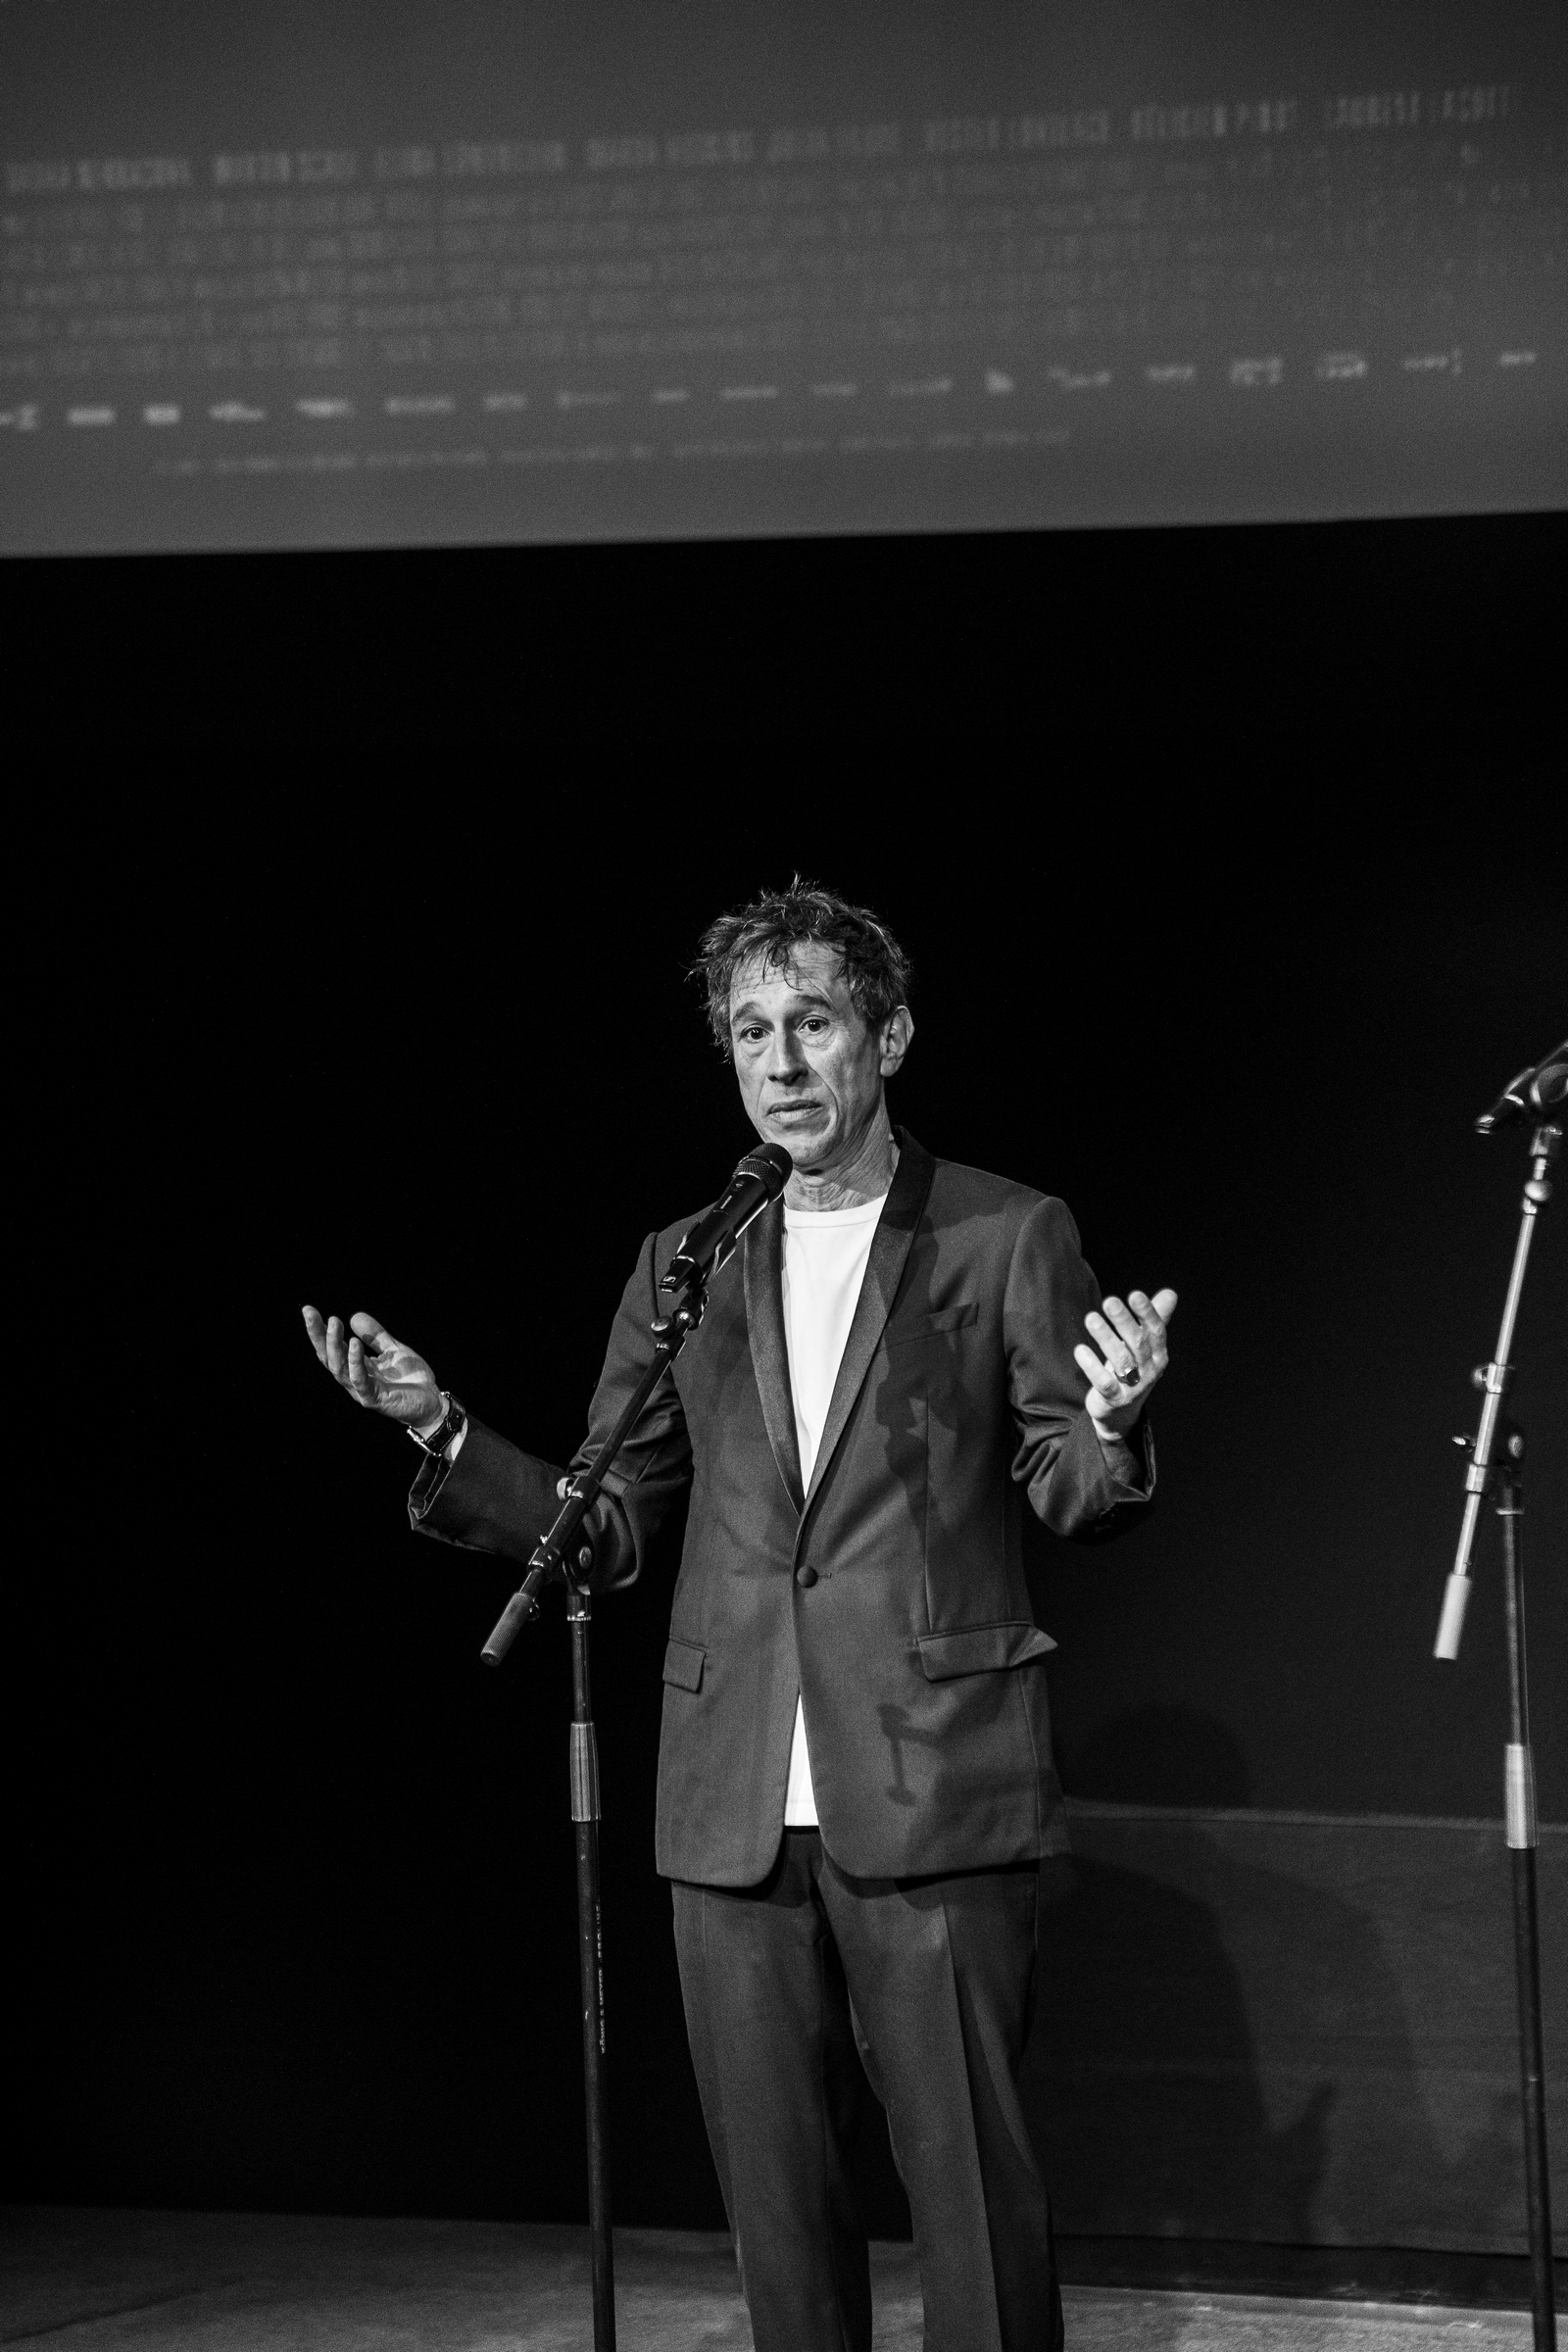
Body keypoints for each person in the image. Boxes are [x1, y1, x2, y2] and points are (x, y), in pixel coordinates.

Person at [303, 880, 1175, 2352]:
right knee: (777, 2211)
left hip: (934, 1778)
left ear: (888, 1037)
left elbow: (1068, 1485)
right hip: (731, 1799)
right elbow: (604, 1518)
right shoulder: (686, 1260)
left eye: (813, 1023)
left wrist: (1113, 1420)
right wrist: (439, 1425)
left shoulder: (1005, 1232)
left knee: (970, 2194)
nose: (782, 1062)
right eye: (751, 1033)